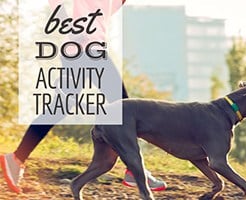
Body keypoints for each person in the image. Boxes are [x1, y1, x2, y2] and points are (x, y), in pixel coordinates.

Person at [0, 0, 167, 194]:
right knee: (122, 107)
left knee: (62, 106)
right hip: (86, 48)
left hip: (84, 49)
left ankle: (17, 158)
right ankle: (134, 170)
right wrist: (76, 32)